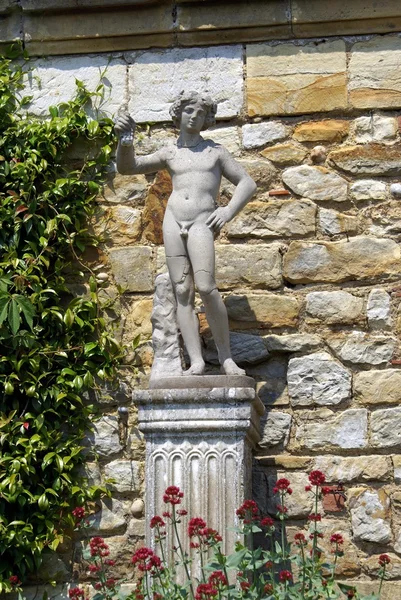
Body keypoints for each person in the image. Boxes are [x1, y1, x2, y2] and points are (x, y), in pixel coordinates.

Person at [114, 91, 257, 376]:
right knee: (182, 291)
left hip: (203, 221)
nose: (194, 116)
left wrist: (227, 211)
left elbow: (247, 183)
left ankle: (226, 357)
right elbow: (127, 167)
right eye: (189, 110)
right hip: (173, 219)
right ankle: (197, 361)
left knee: (206, 286)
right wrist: (126, 138)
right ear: (178, 114)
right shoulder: (170, 152)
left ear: (207, 119)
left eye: (200, 113)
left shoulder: (214, 152)